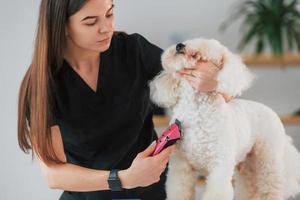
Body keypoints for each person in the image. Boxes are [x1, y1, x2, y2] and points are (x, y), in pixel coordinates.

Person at [17, 0, 231, 199]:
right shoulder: (42, 85)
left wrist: (213, 82)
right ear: (62, 26)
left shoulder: (133, 50)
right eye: (91, 22)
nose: (106, 28)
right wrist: (123, 179)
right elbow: (54, 174)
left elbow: (218, 89)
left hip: (154, 191)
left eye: (109, 14)